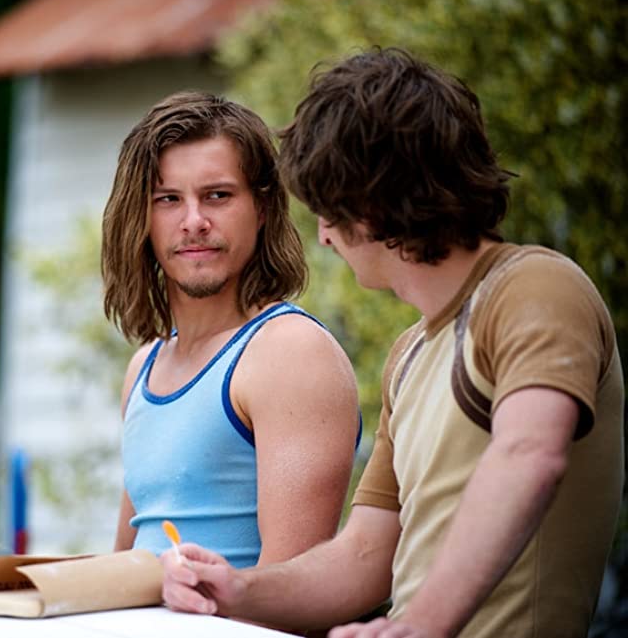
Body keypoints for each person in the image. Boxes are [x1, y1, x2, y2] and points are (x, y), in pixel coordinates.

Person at [161, 48, 625, 637]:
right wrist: (235, 589)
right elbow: (363, 557)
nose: (323, 236)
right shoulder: (409, 355)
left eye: (328, 211)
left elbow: (530, 454)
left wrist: (422, 626)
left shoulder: (535, 288)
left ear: (372, 206)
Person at [101, 91, 360, 570]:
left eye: (217, 196)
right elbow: (122, 567)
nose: (194, 222)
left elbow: (291, 589)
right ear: (141, 218)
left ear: (262, 208)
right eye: (168, 199)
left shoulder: (290, 352)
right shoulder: (144, 367)